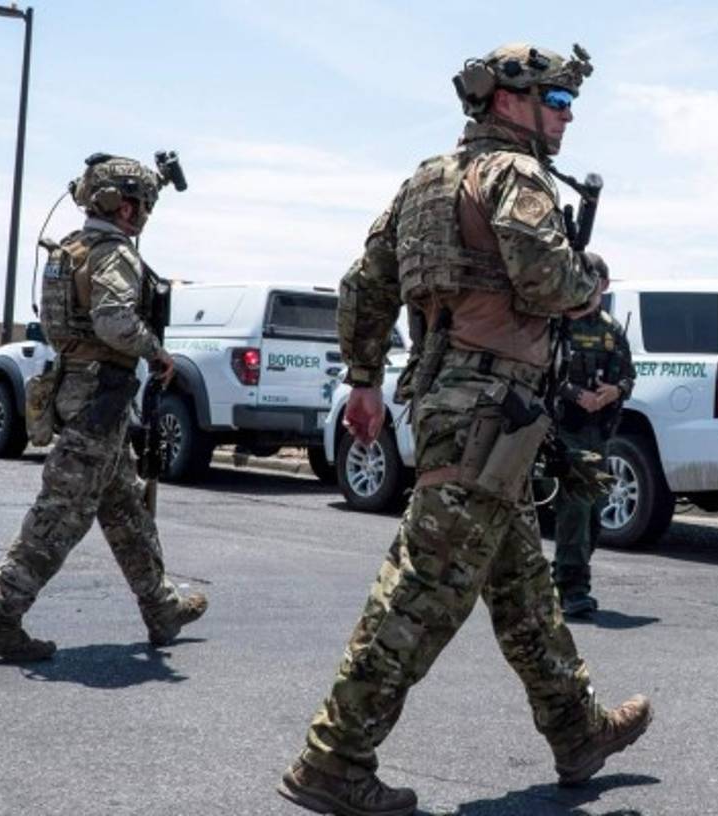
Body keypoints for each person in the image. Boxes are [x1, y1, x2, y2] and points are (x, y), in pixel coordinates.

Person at [278, 43, 652, 816]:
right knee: (424, 590)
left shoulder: (424, 182)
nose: (567, 116)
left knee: (522, 588)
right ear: (507, 101)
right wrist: (589, 283)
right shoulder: (514, 176)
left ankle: (577, 731)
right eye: (556, 100)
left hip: (462, 406)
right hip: (490, 409)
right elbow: (547, 280)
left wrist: (363, 380)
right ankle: (334, 758)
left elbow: (362, 285)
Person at [0, 153, 207, 662]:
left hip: (83, 390)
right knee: (63, 512)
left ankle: (161, 607)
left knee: (124, 508)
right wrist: (155, 352)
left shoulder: (70, 249)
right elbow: (114, 320)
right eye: (138, 204)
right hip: (100, 395)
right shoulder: (113, 253)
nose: (141, 215)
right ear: (119, 204)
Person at [552, 255, 635, 618]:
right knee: (577, 505)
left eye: (597, 279)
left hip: (598, 433)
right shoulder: (557, 324)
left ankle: (565, 577)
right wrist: (575, 394)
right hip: (564, 428)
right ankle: (573, 588)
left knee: (595, 514)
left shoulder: (611, 329)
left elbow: (629, 376)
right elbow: (544, 371)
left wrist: (613, 391)